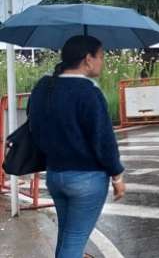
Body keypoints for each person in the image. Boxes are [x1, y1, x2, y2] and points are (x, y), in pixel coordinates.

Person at [28, 35, 126, 258]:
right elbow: (104, 140)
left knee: (67, 237)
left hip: (55, 176)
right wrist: (117, 176)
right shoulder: (89, 93)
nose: (102, 62)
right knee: (73, 243)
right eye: (101, 57)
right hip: (87, 179)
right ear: (88, 59)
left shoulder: (45, 87)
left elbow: (34, 125)